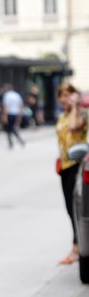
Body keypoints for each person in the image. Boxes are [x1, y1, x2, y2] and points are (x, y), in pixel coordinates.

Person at [55, 83, 87, 265]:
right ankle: (76, 246)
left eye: (69, 95)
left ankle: (77, 248)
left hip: (77, 164)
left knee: (77, 209)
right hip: (65, 166)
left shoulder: (80, 114)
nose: (65, 99)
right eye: (62, 95)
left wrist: (76, 106)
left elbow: (75, 127)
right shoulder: (62, 116)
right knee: (69, 208)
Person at [1, 84, 25, 148]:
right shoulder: (17, 95)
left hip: (9, 113)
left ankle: (12, 142)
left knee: (9, 128)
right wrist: (20, 115)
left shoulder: (6, 95)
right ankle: (16, 141)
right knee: (11, 128)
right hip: (16, 113)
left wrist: (4, 115)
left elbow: (5, 106)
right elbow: (21, 105)